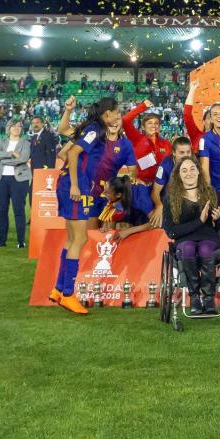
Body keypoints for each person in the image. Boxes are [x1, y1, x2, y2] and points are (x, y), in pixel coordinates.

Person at [50, 97, 136, 315]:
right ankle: (69, 294)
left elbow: (64, 132)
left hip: (71, 185)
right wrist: (76, 186)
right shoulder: (96, 130)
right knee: (80, 239)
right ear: (107, 113)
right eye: (117, 112)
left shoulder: (95, 129)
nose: (119, 116)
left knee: (71, 239)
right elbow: (72, 153)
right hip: (76, 188)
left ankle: (58, 289)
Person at [162, 157, 220, 315]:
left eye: (192, 169)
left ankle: (208, 298)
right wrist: (200, 221)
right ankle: (194, 298)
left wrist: (219, 217)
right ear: (178, 175)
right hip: (184, 241)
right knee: (189, 248)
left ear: (199, 171)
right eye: (184, 170)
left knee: (206, 249)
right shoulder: (171, 199)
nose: (189, 173)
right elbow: (171, 231)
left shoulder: (211, 193)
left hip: (209, 239)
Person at [122, 99, 173, 221]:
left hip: (161, 187)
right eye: (150, 123)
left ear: (160, 127)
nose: (153, 126)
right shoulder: (137, 139)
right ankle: (152, 222)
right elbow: (125, 120)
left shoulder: (166, 144)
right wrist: (143, 106)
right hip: (142, 186)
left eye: (156, 123)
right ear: (143, 127)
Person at [0, 120, 31, 248]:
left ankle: (21, 241)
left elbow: (23, 158)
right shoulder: (0, 142)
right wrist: (11, 154)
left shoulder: (26, 143)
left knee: (19, 210)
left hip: (19, 179)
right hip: (1, 179)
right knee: (2, 210)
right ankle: (2, 240)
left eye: (19, 126)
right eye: (14, 125)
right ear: (9, 128)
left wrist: (5, 160)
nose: (17, 128)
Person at [152, 137, 193, 227]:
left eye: (188, 152)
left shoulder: (194, 163)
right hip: (169, 204)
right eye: (182, 153)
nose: (186, 156)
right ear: (174, 153)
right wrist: (159, 205)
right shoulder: (165, 166)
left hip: (187, 203)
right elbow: (155, 192)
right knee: (159, 224)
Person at [98, 176, 152, 241]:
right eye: (104, 190)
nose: (103, 193)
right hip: (132, 209)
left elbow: (155, 224)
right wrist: (106, 230)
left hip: (148, 214)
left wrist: (128, 231)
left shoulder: (140, 198)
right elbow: (108, 220)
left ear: (118, 195)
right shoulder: (115, 194)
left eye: (107, 193)